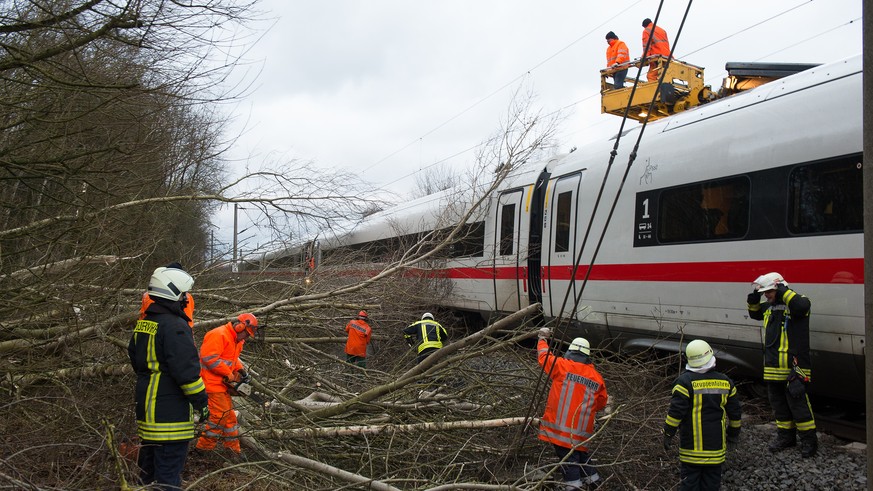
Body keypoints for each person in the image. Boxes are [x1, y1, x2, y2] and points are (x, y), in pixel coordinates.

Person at [128, 266, 208, 490]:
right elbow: (188, 374)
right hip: (168, 417)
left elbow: (135, 358)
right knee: (167, 478)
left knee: (147, 473)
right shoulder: (176, 327)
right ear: (171, 292)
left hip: (147, 411)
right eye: (183, 294)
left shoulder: (145, 324)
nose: (185, 300)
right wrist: (202, 403)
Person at [747, 272, 817, 457]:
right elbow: (754, 313)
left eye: (768, 292)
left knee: (799, 406)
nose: (766, 296)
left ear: (779, 288)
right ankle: (786, 437)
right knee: (779, 406)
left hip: (794, 368)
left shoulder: (798, 304)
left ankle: (809, 442)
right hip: (772, 369)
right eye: (764, 293)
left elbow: (801, 306)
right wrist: (753, 297)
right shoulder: (770, 308)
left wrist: (783, 290)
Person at [664, 339, 742, 491]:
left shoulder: (683, 382)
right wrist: (733, 435)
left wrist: (668, 432)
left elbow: (675, 413)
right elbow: (735, 414)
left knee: (689, 484)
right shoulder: (726, 382)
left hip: (691, 450)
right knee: (711, 485)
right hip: (716, 450)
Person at [536, 328, 607, 490]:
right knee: (580, 455)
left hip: (560, 429)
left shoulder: (561, 366)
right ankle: (594, 482)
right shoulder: (596, 377)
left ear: (570, 351)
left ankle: (573, 487)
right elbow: (601, 404)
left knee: (569, 460)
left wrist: (542, 339)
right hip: (582, 433)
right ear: (587, 356)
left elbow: (543, 357)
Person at [195, 313, 259, 456]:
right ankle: (204, 448)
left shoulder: (237, 340)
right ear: (239, 326)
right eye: (246, 334)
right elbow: (209, 358)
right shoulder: (219, 334)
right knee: (219, 416)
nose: (246, 338)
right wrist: (228, 374)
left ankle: (232, 450)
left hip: (222, 384)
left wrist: (241, 371)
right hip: (211, 382)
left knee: (230, 417)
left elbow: (233, 359)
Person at [139, 263, 194, 329]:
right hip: (175, 328)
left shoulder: (149, 294)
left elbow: (143, 315)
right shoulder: (186, 297)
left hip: (147, 327)